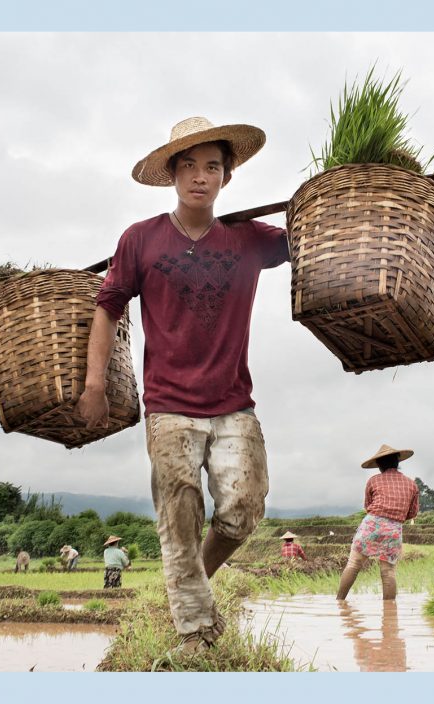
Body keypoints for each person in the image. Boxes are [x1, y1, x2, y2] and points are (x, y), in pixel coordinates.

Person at [78, 116, 288, 651]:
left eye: (212, 166)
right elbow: (106, 308)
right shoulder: (141, 239)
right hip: (169, 405)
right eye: (189, 166)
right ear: (173, 174)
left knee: (243, 508)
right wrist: (94, 384)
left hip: (233, 402)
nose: (201, 176)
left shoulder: (249, 239)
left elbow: (313, 238)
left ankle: (189, 581)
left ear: (227, 177)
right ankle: (195, 630)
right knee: (180, 512)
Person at [336, 444, 419, 601]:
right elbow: (412, 513)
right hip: (394, 529)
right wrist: (395, 516)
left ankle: (339, 602)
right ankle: (389, 613)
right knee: (388, 572)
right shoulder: (411, 484)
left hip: (372, 523)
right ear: (397, 462)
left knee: (354, 564)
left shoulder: (373, 481)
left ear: (379, 465)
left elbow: (368, 506)